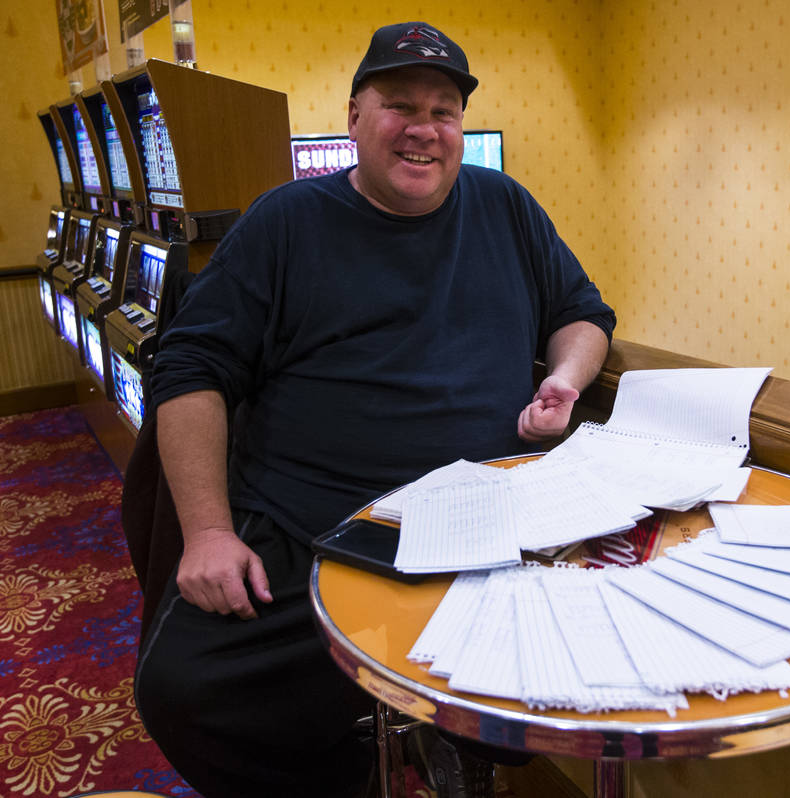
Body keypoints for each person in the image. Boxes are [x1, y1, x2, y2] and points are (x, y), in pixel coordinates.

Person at [134, 20, 616, 798]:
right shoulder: (284, 222)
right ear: (355, 117)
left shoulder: (505, 206)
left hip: (482, 525)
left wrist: (563, 375)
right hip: (315, 530)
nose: (423, 129)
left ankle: (442, 740)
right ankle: (354, 772)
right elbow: (191, 368)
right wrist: (209, 533)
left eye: (444, 110)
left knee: (581, 665)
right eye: (399, 105)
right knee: (184, 693)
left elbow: (585, 313)